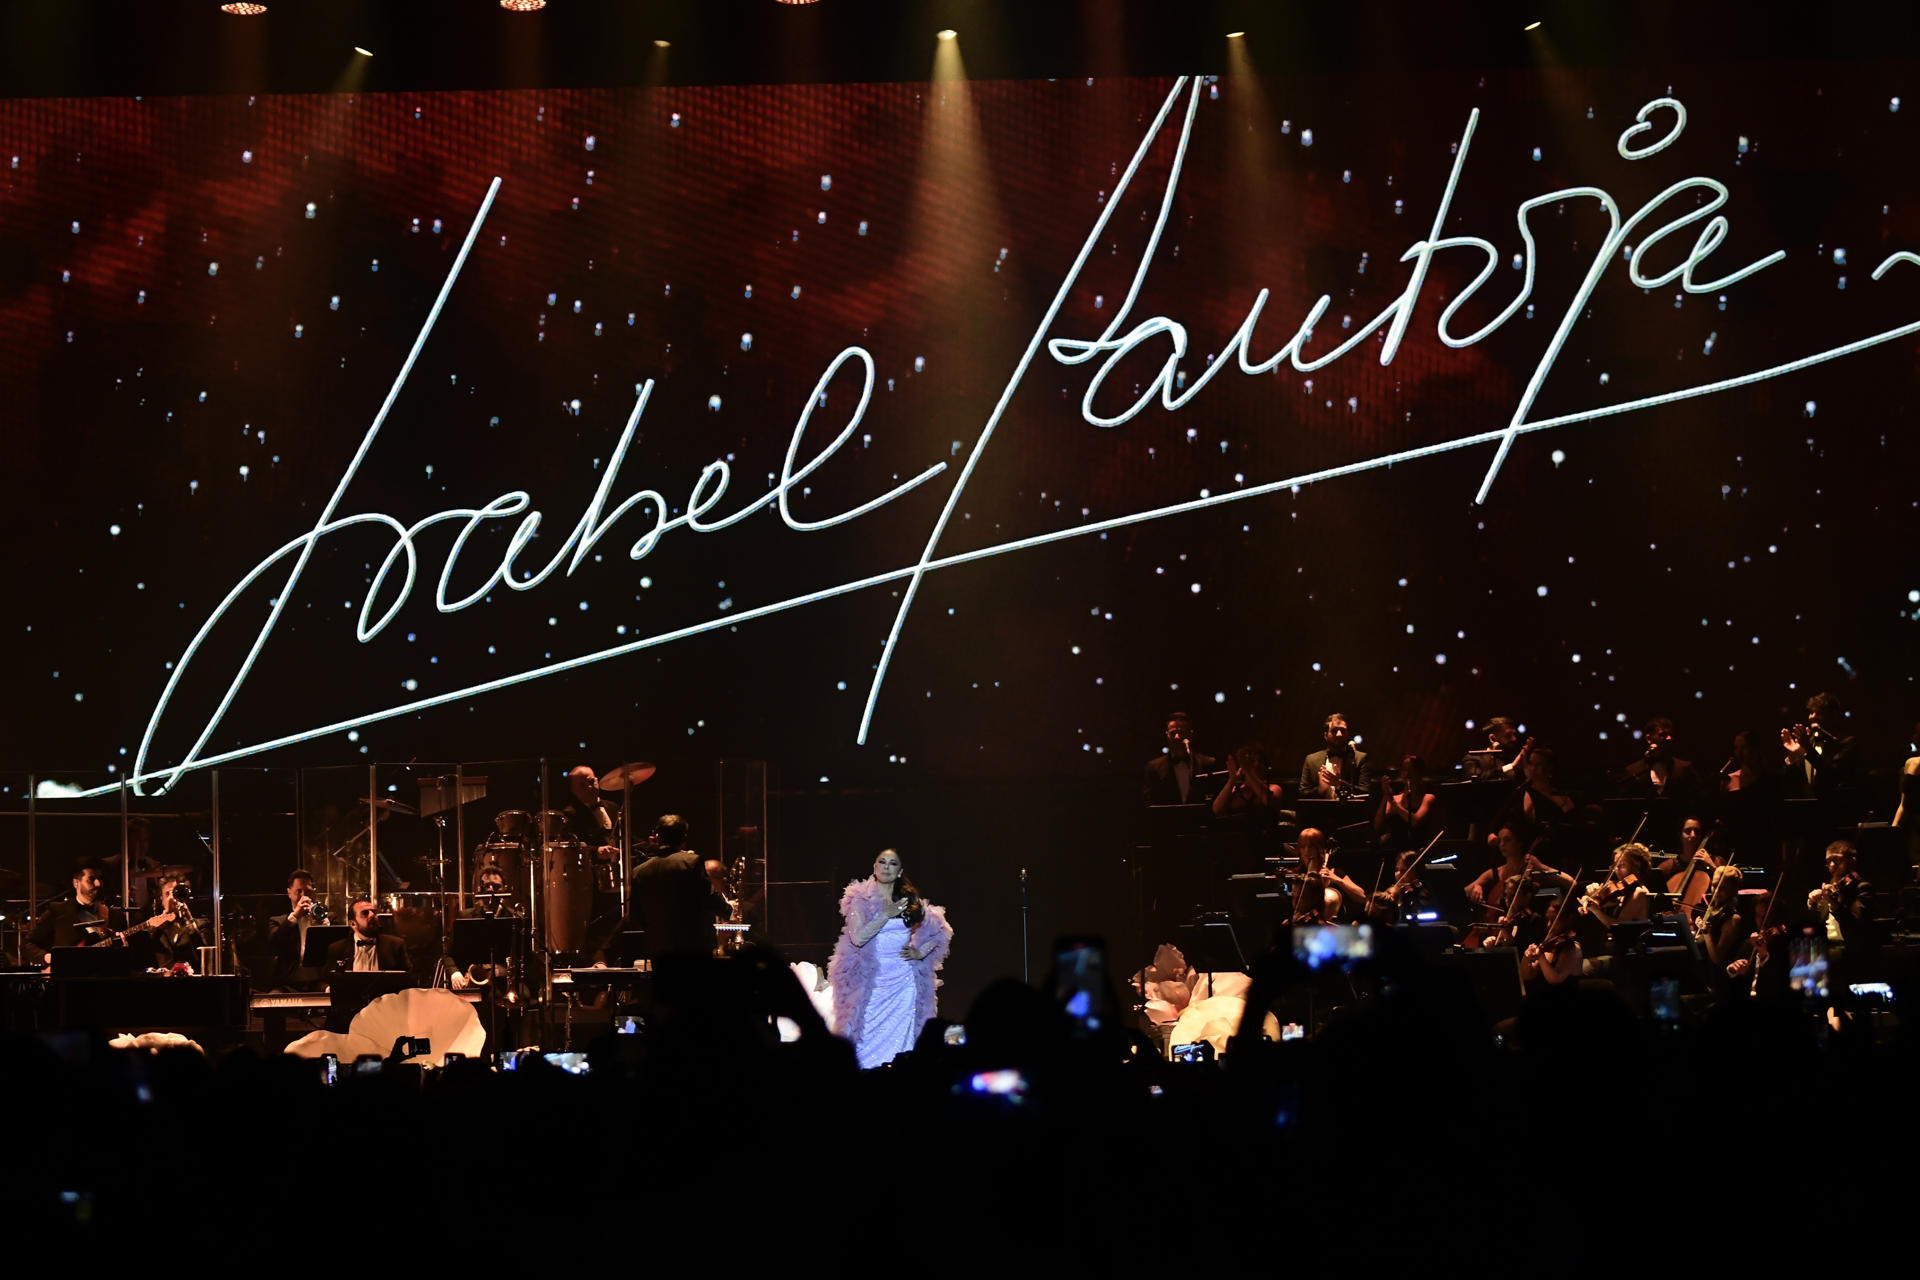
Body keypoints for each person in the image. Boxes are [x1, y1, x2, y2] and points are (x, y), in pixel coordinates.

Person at [828, 849, 953, 1069]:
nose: (887, 867)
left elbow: (940, 930)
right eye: (882, 862)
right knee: (863, 1036)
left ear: (899, 871)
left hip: (903, 983)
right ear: (874, 867)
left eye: (893, 864)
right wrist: (885, 915)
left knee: (902, 1045)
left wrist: (920, 951)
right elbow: (857, 939)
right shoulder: (860, 899)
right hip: (871, 983)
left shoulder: (908, 901)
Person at [628, 815, 728, 962]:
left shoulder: (639, 871)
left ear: (657, 837)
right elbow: (707, 899)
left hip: (658, 949)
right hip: (692, 947)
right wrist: (729, 912)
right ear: (684, 837)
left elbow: (636, 915)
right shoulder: (692, 862)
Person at [24, 858, 129, 966]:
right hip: (68, 980)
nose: (97, 884)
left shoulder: (116, 916)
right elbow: (28, 944)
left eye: (100, 879)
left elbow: (127, 957)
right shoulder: (57, 911)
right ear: (76, 883)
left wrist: (124, 948)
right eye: (91, 879)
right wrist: (47, 957)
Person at [1780, 692, 1861, 802]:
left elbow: (1832, 776)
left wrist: (1808, 749)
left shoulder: (1847, 743)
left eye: (1819, 713)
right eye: (1811, 712)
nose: (1812, 717)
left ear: (1833, 715)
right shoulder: (1809, 742)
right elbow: (1792, 783)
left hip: (1834, 809)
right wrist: (1793, 757)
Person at [1806, 840, 1877, 957]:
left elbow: (1855, 926)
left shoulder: (1862, 888)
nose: (1832, 865)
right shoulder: (1831, 888)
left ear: (1852, 861)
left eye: (1837, 860)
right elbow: (1815, 923)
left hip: (1850, 952)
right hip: (1825, 949)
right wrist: (1812, 902)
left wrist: (1834, 904)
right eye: (1828, 861)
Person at [265, 868, 325, 988]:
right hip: (289, 982)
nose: (304, 896)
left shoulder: (328, 919)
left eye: (308, 891)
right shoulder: (277, 921)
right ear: (289, 893)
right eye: (299, 891)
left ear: (314, 892)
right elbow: (274, 943)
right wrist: (295, 916)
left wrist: (322, 922)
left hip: (321, 980)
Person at [1289, 828, 1366, 922]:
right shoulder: (1296, 876)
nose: (1307, 851)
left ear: (1320, 848)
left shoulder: (1335, 873)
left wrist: (1338, 880)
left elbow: (1362, 898)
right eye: (1303, 846)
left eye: (1311, 846)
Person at [1620, 716, 1702, 802]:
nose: (1669, 738)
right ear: (1648, 738)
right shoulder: (1633, 771)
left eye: (1671, 735)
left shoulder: (1684, 768)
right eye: (1663, 735)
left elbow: (1699, 800)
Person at [1144, 712, 1216, 805]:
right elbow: (1149, 802)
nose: (1177, 737)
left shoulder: (1208, 763)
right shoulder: (1153, 767)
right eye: (1173, 733)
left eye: (1181, 732)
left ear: (1190, 734)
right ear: (1167, 735)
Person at [1373, 754, 1438, 852]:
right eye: (1404, 770)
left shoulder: (1428, 798)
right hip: (1395, 851)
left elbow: (1415, 822)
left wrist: (1392, 801)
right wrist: (1386, 795)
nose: (1407, 775)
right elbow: (1378, 826)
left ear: (1419, 773)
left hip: (1417, 852)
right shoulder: (1394, 798)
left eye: (1411, 770)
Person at [1299, 712, 1372, 799]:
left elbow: (1365, 792)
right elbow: (1302, 794)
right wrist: (1319, 790)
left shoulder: (1360, 758)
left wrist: (1339, 784)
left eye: (1343, 730)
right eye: (1334, 730)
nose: (1339, 734)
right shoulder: (1311, 760)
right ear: (1325, 735)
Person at [327, 898, 409, 972]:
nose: (372, 915)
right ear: (353, 924)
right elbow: (326, 979)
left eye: (374, 912)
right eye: (365, 913)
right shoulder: (337, 949)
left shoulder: (395, 946)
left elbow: (409, 978)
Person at [1211, 741, 1285, 821]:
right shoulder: (1236, 790)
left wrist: (1247, 770)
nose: (1256, 765)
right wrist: (1232, 779)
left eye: (1260, 762)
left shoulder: (1274, 788)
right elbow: (1217, 810)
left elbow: (1269, 802)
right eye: (1252, 761)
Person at [1891, 722, 1920, 868]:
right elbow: (1904, 803)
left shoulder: (1913, 763)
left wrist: (1894, 828)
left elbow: (1905, 803)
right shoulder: (1911, 762)